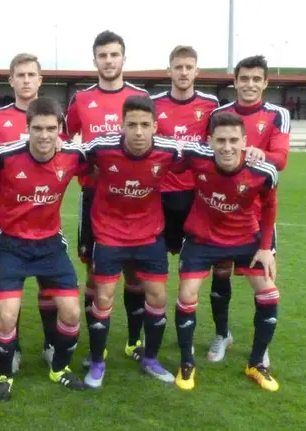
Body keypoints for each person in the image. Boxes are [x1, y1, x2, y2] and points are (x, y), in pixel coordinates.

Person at [0, 97, 89, 400]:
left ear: (60, 130)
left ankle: (59, 368)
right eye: (38, 128)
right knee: (5, 316)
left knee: (70, 312)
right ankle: (4, 373)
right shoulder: (4, 157)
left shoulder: (72, 156)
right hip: (11, 245)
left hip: (50, 245)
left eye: (51, 128)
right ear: (27, 128)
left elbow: (105, 153)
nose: (44, 135)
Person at [171, 111, 281, 392]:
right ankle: (187, 362)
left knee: (269, 293)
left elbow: (269, 206)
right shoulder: (197, 156)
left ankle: (256, 363)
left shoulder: (263, 171)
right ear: (210, 140)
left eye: (234, 140)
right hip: (202, 238)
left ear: (245, 141)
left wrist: (266, 247)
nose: (227, 146)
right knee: (186, 295)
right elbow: (167, 157)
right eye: (220, 140)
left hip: (245, 237)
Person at [66, 30, 150, 369]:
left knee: (135, 274)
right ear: (95, 60)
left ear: (123, 59)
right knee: (93, 275)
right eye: (103, 55)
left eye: (114, 55)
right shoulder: (81, 100)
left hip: (134, 198)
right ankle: (95, 347)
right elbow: (66, 141)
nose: (109, 61)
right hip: (94, 195)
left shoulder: (140, 96)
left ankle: (134, 341)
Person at [81, 95, 179, 388]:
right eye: (132, 124)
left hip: (149, 235)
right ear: (121, 125)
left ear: (155, 126)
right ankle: (97, 362)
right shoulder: (100, 148)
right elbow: (73, 156)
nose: (138, 131)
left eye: (144, 125)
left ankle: (150, 358)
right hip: (109, 235)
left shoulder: (169, 151)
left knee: (158, 298)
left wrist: (250, 151)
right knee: (102, 298)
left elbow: (205, 156)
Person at [0, 53, 65, 369]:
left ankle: (50, 344)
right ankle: (11, 347)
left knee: (49, 284)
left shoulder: (54, 115)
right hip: (9, 219)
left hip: (46, 217)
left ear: (40, 80)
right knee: (6, 286)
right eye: (21, 75)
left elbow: (66, 149)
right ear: (11, 80)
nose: (26, 80)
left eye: (32, 74)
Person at [206, 55, 290, 366]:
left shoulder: (277, 114)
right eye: (244, 78)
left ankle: (261, 346)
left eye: (256, 79)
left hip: (258, 211)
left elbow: (280, 159)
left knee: (264, 279)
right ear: (235, 81)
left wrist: (259, 153)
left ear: (265, 82)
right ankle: (222, 333)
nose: (250, 84)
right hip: (224, 210)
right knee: (221, 273)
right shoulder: (218, 114)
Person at [151, 46, 219, 257]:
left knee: (193, 257)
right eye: (178, 67)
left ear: (197, 71)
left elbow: (214, 145)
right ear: (168, 71)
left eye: (189, 67)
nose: (183, 72)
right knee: (154, 256)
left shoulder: (211, 104)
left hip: (195, 193)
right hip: (160, 192)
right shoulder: (153, 103)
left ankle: (189, 291)